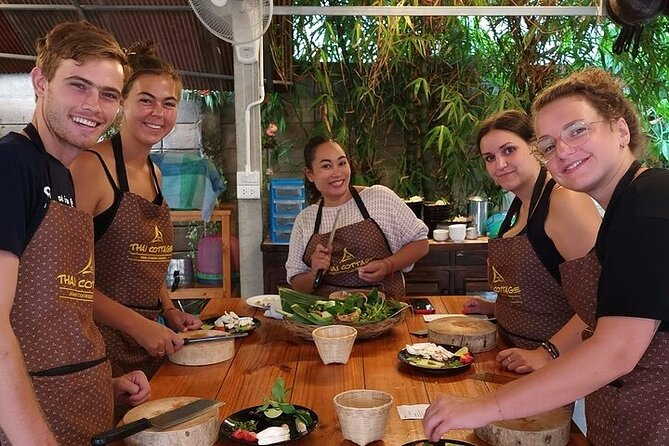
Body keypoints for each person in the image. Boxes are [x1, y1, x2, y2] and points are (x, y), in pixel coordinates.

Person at [423, 68, 669, 445]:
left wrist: (483, 406)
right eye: (550, 144)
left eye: (577, 130)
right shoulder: (629, 205)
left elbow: (616, 350)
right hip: (623, 406)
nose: (564, 151)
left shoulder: (648, 205)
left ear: (622, 131)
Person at [0, 21, 150, 446]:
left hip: (74, 403)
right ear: (40, 81)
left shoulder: (63, 176)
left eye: (108, 94)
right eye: (78, 85)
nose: (94, 106)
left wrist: (103, 382)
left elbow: (59, 304)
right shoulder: (11, 167)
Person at [71, 41, 201, 383]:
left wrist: (170, 310)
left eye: (168, 103)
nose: (158, 112)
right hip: (95, 345)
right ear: (121, 102)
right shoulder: (90, 166)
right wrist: (140, 326)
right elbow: (69, 282)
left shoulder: (154, 173)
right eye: (146, 100)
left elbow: (144, 264)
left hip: (144, 345)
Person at [463, 110, 601, 373]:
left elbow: (601, 299)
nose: (500, 164)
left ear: (535, 147)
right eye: (489, 158)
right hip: (513, 354)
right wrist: (495, 307)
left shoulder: (564, 201)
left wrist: (546, 354)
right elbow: (543, 291)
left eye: (509, 150)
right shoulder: (519, 207)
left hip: (561, 366)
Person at [286, 136, 429, 297]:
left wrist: (387, 265)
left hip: (384, 310)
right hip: (329, 315)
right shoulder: (306, 220)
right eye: (326, 166)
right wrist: (314, 273)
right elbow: (297, 284)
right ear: (310, 174)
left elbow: (421, 243)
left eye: (342, 163)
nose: (338, 172)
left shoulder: (379, 198)